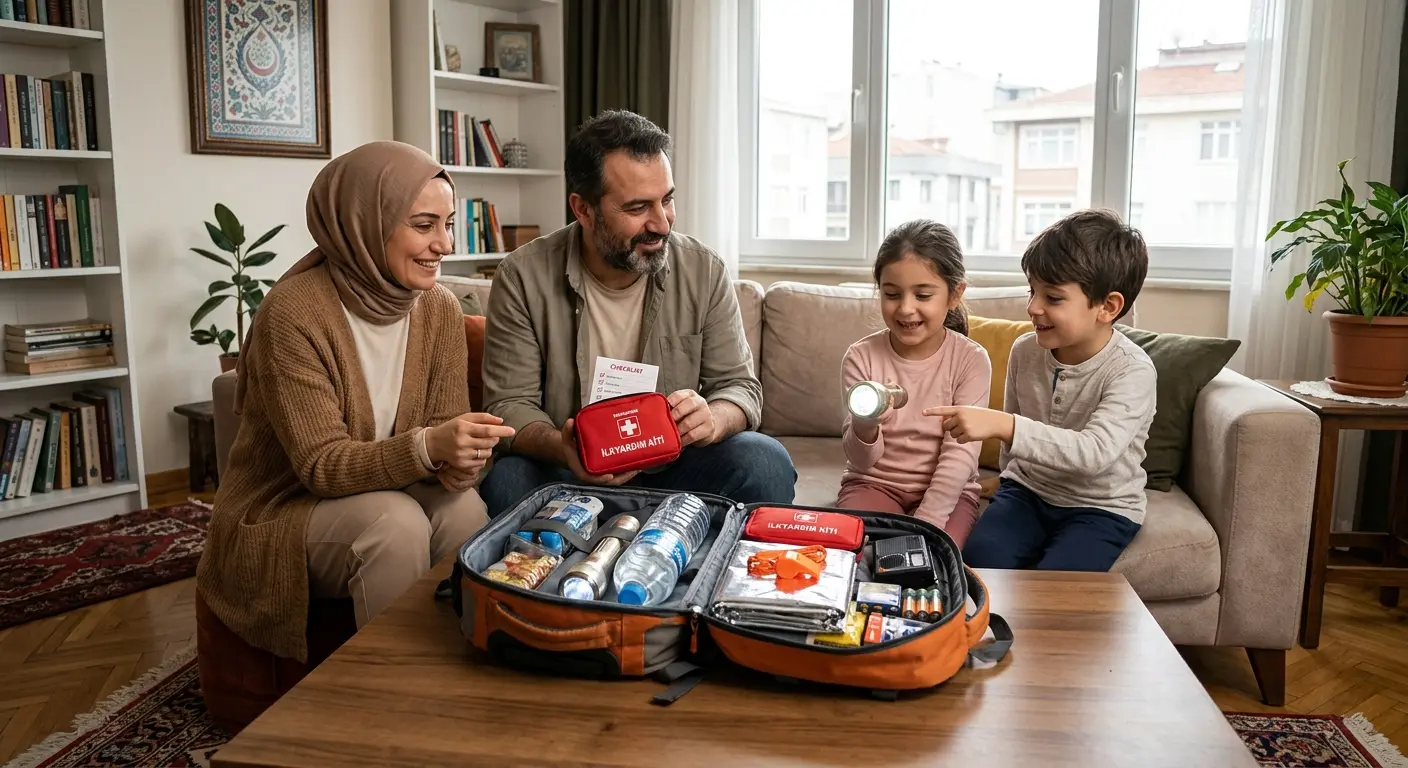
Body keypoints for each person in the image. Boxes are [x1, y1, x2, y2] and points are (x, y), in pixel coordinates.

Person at [196, 141, 515, 663]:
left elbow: (440, 436)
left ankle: (466, 676)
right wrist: (429, 446)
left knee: (464, 509)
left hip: (390, 487)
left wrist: (460, 464)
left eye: (448, 224)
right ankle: (392, 704)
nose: (444, 244)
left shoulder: (436, 308)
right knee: (393, 525)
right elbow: (320, 466)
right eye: (423, 224)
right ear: (364, 223)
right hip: (286, 506)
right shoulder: (293, 314)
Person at [478, 110, 796, 517]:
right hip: (571, 471)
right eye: (637, 207)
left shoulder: (703, 269)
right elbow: (509, 404)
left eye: (667, 199)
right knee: (507, 481)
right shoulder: (522, 276)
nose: (662, 223)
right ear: (584, 209)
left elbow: (740, 388)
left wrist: (713, 418)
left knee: (764, 460)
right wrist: (564, 446)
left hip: (675, 468)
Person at [926, 209, 1155, 572]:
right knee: (980, 563)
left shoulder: (1132, 371)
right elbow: (1011, 449)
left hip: (1101, 507)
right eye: (1033, 291)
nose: (1033, 307)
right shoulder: (1025, 350)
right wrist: (1006, 479)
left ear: (1107, 307)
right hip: (1027, 493)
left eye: (1053, 297)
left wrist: (1005, 425)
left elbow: (1095, 453)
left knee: (1058, 584)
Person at [835, 220, 991, 547]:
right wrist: (866, 425)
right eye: (892, 294)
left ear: (954, 294)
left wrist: (926, 526)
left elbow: (959, 457)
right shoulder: (861, 357)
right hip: (873, 484)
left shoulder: (971, 360)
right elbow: (861, 461)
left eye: (922, 294)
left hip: (949, 492)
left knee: (933, 560)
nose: (905, 308)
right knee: (858, 551)